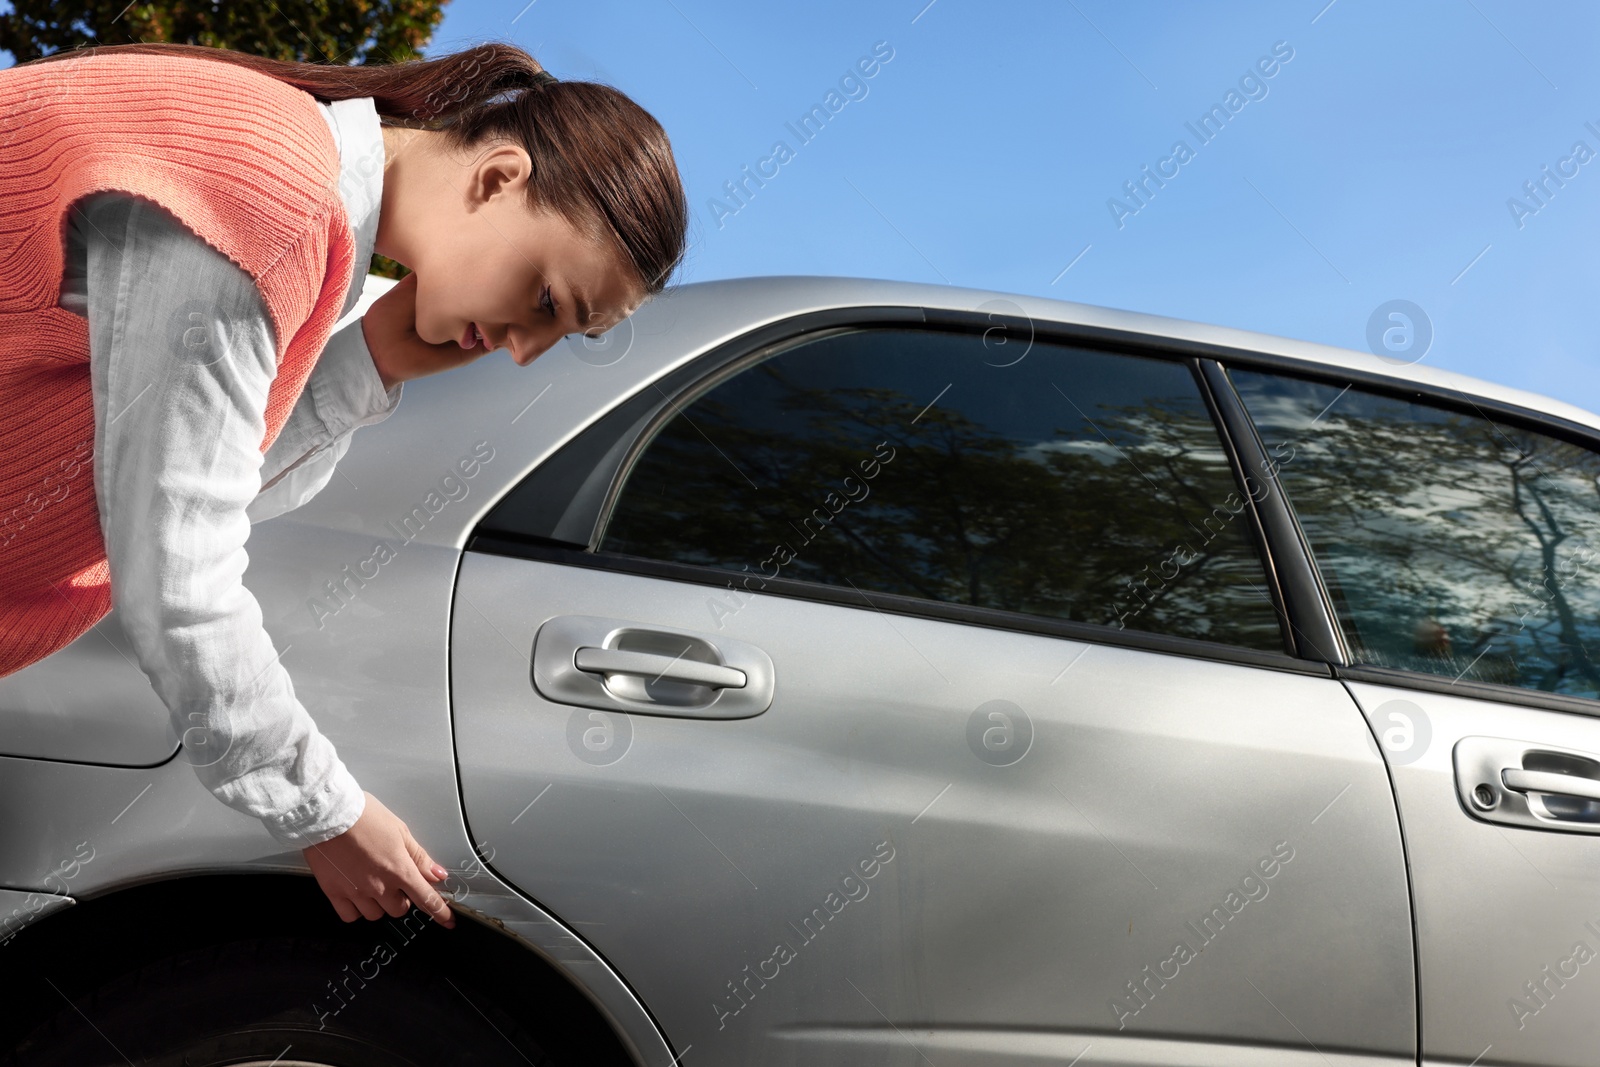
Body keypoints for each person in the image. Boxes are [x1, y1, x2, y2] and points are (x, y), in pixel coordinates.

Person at [0, 40, 687, 931]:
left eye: (565, 334)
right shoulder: (268, 197)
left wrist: (368, 360)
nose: (524, 347)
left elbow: (175, 473)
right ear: (500, 176)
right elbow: (179, 574)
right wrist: (323, 809)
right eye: (548, 300)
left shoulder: (300, 217)